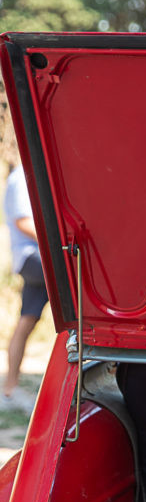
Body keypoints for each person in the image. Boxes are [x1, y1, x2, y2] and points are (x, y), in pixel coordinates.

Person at [3, 164, 48, 412]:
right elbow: (23, 221)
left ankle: (10, 389)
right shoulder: (21, 178)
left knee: (26, 321)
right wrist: (60, 238)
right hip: (32, 257)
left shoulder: (39, 174)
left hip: (42, 257)